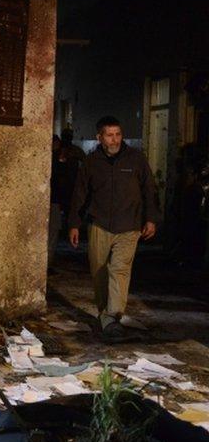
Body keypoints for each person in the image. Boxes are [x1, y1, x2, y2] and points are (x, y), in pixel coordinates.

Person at [68, 116, 160, 336]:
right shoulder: (91, 162)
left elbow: (149, 190)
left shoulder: (136, 159)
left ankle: (114, 315)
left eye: (118, 134)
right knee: (99, 271)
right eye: (109, 135)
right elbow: (79, 194)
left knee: (120, 269)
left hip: (130, 225)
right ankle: (106, 316)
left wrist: (151, 218)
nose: (115, 139)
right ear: (99, 137)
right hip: (99, 224)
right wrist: (74, 224)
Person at [49, 129, 85, 269]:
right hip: (57, 196)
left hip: (65, 193)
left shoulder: (72, 151)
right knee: (54, 228)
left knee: (57, 227)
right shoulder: (59, 154)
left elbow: (85, 164)